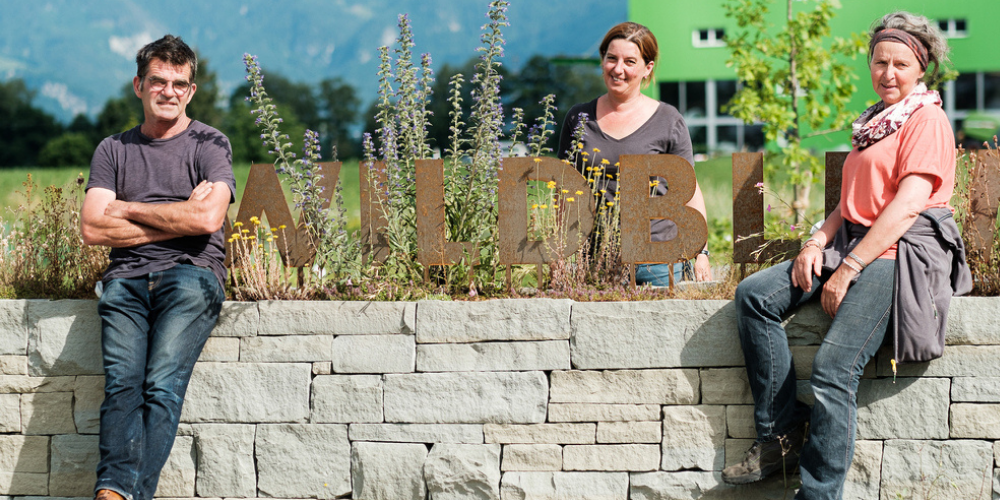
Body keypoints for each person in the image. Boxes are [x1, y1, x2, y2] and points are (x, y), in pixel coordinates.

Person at [721, 11, 971, 499]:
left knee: (835, 368)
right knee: (755, 296)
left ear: (921, 68)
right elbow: (849, 201)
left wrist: (850, 268)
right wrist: (816, 241)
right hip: (851, 240)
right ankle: (782, 435)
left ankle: (818, 493)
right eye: (880, 61)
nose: (888, 73)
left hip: (899, 252)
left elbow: (905, 206)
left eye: (901, 63)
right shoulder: (875, 121)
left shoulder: (927, 119)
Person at [81, 35, 235, 500]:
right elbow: (92, 227)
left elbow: (208, 219)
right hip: (125, 279)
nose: (169, 91)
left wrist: (126, 209)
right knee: (122, 387)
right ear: (138, 85)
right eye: (158, 81)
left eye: (179, 83)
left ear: (191, 90)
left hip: (192, 274)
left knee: (160, 384)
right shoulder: (113, 149)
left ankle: (114, 493)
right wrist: (177, 217)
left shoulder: (209, 142)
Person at [558, 21, 712, 285]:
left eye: (630, 61)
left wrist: (702, 253)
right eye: (611, 59)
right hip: (598, 260)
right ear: (602, 60)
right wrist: (559, 251)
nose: (618, 69)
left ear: (646, 68)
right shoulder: (578, 118)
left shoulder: (668, 120)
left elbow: (689, 189)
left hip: (661, 262)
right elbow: (564, 189)